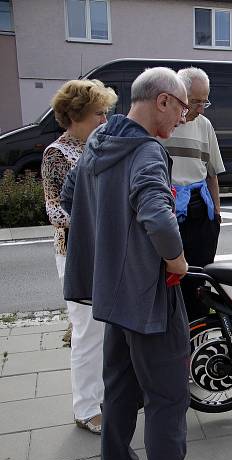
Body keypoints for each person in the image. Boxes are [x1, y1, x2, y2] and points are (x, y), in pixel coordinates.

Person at [61, 67, 224, 460]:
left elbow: (74, 199)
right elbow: (156, 213)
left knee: (118, 391)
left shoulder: (98, 141)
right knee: (168, 397)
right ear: (163, 101)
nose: (184, 119)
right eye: (183, 108)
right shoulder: (147, 150)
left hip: (111, 296)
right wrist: (175, 259)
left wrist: (111, 247)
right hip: (149, 298)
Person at [42, 79, 117, 435]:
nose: (104, 120)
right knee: (87, 332)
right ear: (75, 115)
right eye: (98, 114)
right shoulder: (57, 153)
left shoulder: (98, 146)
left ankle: (104, 396)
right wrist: (102, 214)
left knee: (106, 330)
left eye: (105, 113)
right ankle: (86, 409)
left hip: (103, 251)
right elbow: (55, 211)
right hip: (75, 254)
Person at [161, 67, 225, 322]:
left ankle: (199, 337)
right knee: (169, 280)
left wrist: (217, 217)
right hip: (167, 212)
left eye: (204, 100)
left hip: (200, 211)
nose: (201, 107)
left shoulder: (205, 125)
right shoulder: (162, 124)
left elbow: (212, 175)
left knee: (199, 280)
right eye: (195, 100)